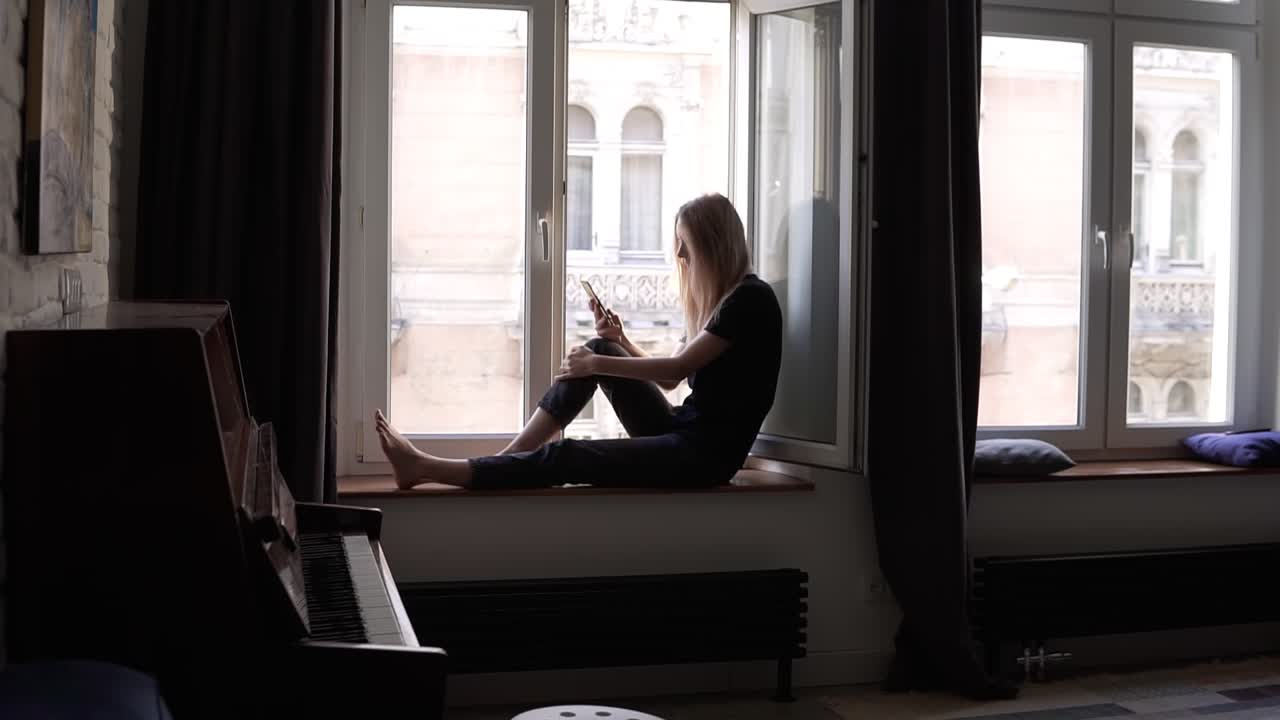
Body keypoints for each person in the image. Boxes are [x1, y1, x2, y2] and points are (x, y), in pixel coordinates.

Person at [375, 192, 783, 490]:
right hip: (682, 433)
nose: (681, 257)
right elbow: (673, 382)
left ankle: (430, 468)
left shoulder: (751, 299)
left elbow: (675, 369)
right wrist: (619, 341)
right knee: (601, 347)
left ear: (712, 246)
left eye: (685, 249)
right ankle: (505, 460)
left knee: (570, 454)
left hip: (702, 458)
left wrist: (598, 366)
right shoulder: (731, 300)